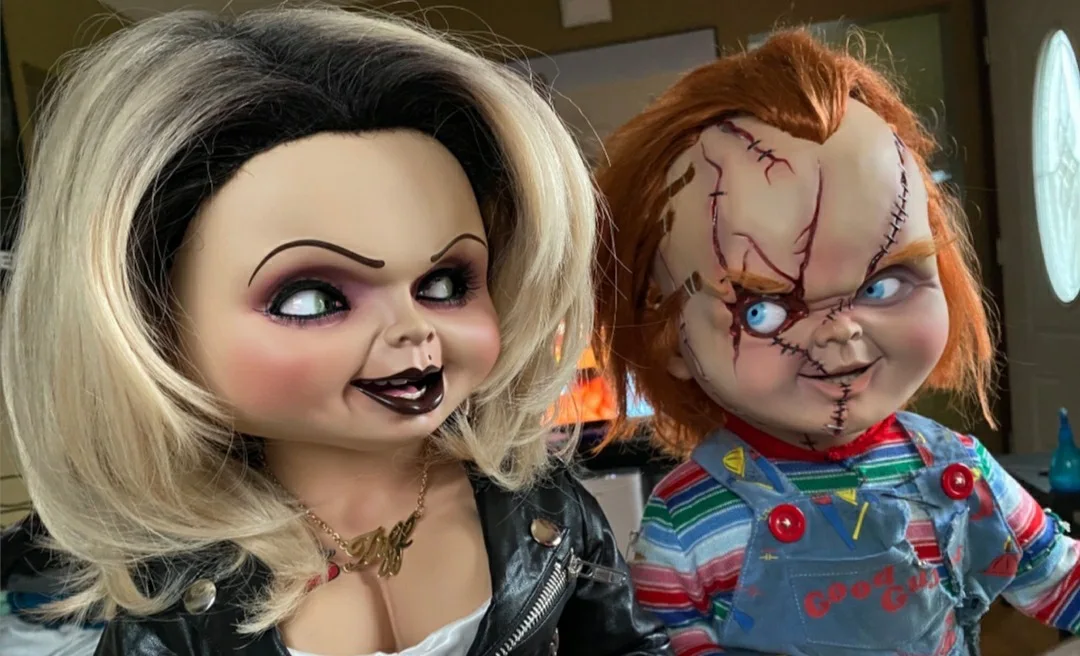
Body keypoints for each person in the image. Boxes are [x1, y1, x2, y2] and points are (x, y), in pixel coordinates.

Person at [0, 7, 671, 655]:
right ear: (153, 321)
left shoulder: (544, 511)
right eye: (312, 298)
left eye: (445, 284)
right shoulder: (177, 592)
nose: (411, 330)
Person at [592, 29, 1080, 655]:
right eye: (764, 311)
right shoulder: (686, 522)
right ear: (668, 339)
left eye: (883, 285)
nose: (842, 332)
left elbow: (1059, 580)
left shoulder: (959, 473)